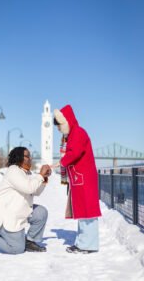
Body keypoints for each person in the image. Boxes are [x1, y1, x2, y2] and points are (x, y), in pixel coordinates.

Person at [0, 147, 51, 254]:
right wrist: (40, 175)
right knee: (16, 248)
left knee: (41, 212)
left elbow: (35, 191)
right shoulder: (13, 171)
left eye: (30, 156)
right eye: (27, 156)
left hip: (20, 212)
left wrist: (44, 179)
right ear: (19, 157)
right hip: (7, 215)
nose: (30, 158)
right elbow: (29, 187)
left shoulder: (26, 172)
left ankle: (30, 242)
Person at [53, 104, 101, 254]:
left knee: (88, 212)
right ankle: (83, 242)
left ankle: (88, 245)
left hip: (84, 179)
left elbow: (75, 153)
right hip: (80, 179)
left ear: (67, 121)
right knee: (82, 212)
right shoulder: (73, 134)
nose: (59, 129)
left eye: (60, 125)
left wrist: (59, 163)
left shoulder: (78, 133)